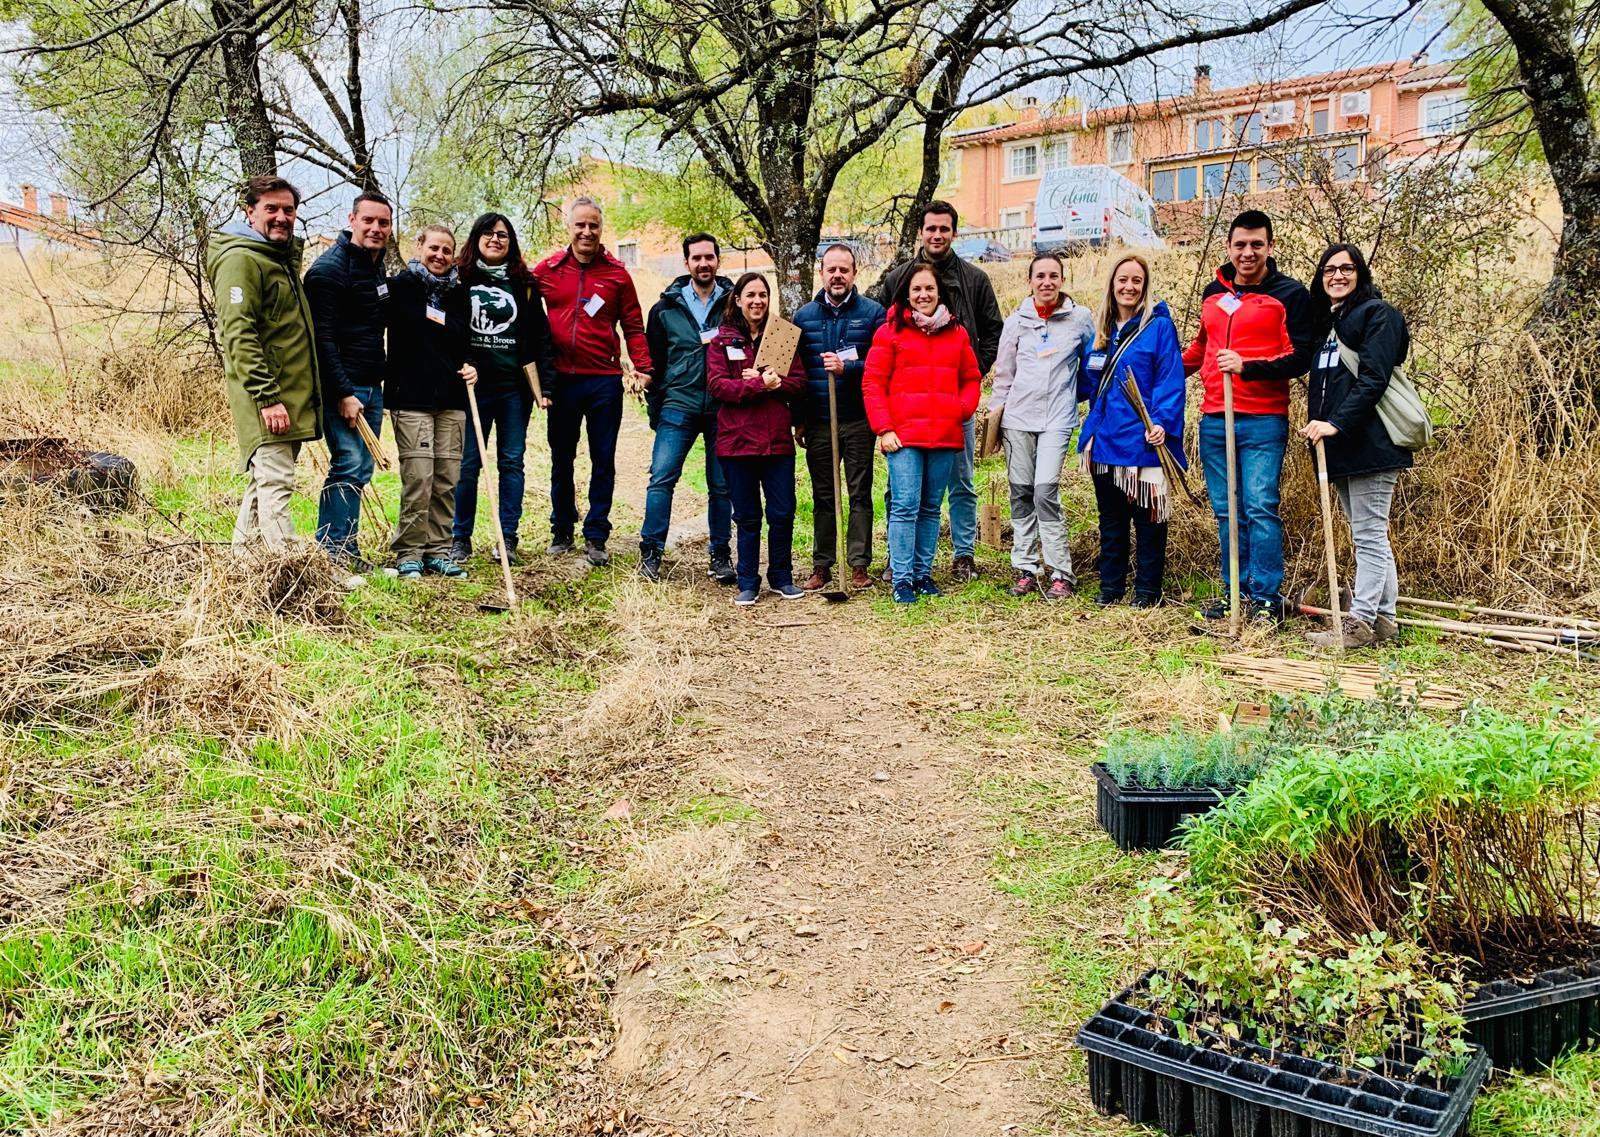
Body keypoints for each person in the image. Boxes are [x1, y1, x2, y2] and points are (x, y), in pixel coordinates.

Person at [1183, 209, 1320, 623]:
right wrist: (1161, 367)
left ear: (1270, 246)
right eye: (1240, 244)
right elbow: (1200, 349)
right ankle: (1234, 592)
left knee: (1260, 505)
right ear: (1229, 247)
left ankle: (1265, 597)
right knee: (1227, 510)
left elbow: (1301, 357)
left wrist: (1248, 366)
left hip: (1263, 418)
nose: (1248, 252)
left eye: (1256, 244)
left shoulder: (1290, 295)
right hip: (1214, 419)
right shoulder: (1213, 292)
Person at [870, 201, 1003, 582]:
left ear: (954, 233)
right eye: (931, 229)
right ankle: (900, 562)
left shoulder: (975, 279)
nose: (937, 235)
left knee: (961, 482)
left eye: (944, 229)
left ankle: (963, 554)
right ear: (922, 232)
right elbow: (882, 331)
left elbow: (994, 330)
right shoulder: (898, 278)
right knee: (902, 489)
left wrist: (967, 385)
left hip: (951, 409)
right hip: (909, 411)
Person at [1302, 244, 1411, 649]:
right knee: (1370, 534)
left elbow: (1374, 378)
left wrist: (1335, 423)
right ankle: (1385, 619)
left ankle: (1360, 622)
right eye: (1329, 269)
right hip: (1342, 446)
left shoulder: (1377, 315)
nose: (1337, 276)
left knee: (1368, 535)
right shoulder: (1329, 323)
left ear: (1360, 274)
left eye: (1347, 269)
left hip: (1371, 443)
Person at [533, 196, 652, 567]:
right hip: (561, 382)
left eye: (593, 226)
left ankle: (597, 534)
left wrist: (643, 366)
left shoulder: (617, 274)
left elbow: (633, 324)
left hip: (603, 381)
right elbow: (519, 311)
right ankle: (562, 528)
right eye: (580, 225)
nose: (587, 232)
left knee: (603, 460)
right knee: (562, 458)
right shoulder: (548, 270)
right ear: (568, 227)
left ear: (601, 230)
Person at [206, 174, 320, 552]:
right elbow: (238, 334)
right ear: (249, 211)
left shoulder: (275, 258)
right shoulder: (240, 260)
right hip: (268, 399)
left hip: (288, 397)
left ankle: (244, 564)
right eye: (271, 209)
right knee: (276, 484)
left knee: (264, 484)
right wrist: (267, 396)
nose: (281, 217)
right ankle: (291, 571)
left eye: (288, 210)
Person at [862, 264, 982, 604]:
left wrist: (960, 409)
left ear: (939, 292)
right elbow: (872, 383)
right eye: (916, 290)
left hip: (944, 434)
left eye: (929, 289)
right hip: (903, 436)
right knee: (905, 506)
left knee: (930, 507)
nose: (923, 295)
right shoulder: (890, 332)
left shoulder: (956, 333)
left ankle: (922, 573)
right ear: (906, 294)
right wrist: (883, 428)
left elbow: (971, 378)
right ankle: (901, 578)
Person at [1078, 254, 1188, 608]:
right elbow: (1088, 387)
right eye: (1122, 280)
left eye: (1136, 281)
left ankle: (1147, 592)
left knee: (1150, 518)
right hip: (1105, 440)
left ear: (1145, 287)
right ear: (1112, 284)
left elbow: (1170, 380)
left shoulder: (1158, 328)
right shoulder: (1101, 333)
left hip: (1144, 439)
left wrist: (1161, 422)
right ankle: (1110, 588)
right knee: (1111, 521)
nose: (1129, 287)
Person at [986, 253, 1094, 601]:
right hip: (1018, 420)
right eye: (1040, 276)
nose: (1047, 282)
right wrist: (994, 420)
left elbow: (1091, 369)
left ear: (1063, 279)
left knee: (1045, 491)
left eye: (1054, 276)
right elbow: (1003, 376)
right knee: (1020, 492)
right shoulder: (1017, 321)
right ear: (1029, 280)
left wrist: (1076, 400)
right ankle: (1026, 568)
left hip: (1058, 421)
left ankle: (1061, 571)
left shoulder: (1080, 319)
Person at [449, 213, 555, 565]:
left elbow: (540, 336)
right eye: (489, 233)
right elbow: (451, 331)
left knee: (511, 462)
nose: (496, 239)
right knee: (467, 465)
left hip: (514, 391)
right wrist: (462, 362)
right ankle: (459, 538)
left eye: (503, 235)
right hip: (473, 389)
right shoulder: (460, 279)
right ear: (476, 237)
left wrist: (545, 385)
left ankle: (507, 537)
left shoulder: (524, 284)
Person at [704, 273, 808, 606]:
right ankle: (748, 582)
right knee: (747, 516)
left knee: (782, 512)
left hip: (776, 441)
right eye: (750, 295)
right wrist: (760, 385)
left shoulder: (779, 336)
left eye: (763, 295)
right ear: (737, 299)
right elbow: (719, 387)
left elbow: (799, 382)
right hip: (737, 443)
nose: (757, 301)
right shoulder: (722, 341)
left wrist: (778, 383)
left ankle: (782, 577)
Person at [304, 189, 393, 573]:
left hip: (372, 385)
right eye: (368, 220)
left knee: (361, 469)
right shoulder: (329, 270)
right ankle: (332, 553)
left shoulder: (376, 266)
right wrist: (342, 392)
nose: (376, 228)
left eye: (383, 222)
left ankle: (346, 548)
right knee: (349, 461)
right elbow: (322, 338)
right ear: (351, 220)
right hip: (346, 387)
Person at [640, 233, 737, 585]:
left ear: (717, 260)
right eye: (696, 258)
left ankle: (720, 554)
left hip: (721, 408)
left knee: (721, 485)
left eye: (709, 257)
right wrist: (657, 409)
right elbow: (653, 364)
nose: (703, 264)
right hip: (678, 405)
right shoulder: (664, 309)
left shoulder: (734, 304)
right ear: (686, 264)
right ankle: (651, 551)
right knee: (661, 478)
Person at [385, 224, 478, 580]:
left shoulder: (459, 294)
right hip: (411, 399)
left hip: (452, 400)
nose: (440, 256)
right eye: (433, 248)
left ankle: (438, 550)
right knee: (419, 478)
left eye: (447, 250)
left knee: (446, 479)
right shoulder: (400, 288)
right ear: (419, 247)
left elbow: (466, 342)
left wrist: (473, 365)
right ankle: (409, 552)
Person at [794, 243, 886, 592]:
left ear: (854, 274)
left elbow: (880, 364)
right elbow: (797, 372)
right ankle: (822, 564)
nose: (837, 275)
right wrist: (799, 418)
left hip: (858, 419)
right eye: (831, 269)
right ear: (821, 273)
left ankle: (859, 564)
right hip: (819, 420)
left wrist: (849, 367)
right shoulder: (804, 317)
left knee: (860, 492)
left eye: (843, 270)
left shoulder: (873, 314)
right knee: (824, 495)